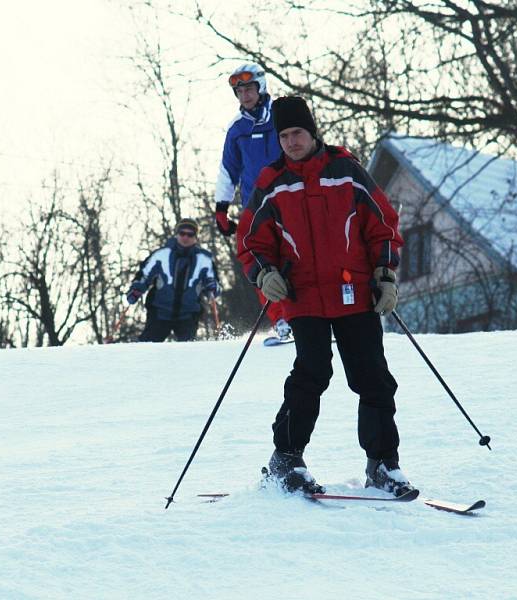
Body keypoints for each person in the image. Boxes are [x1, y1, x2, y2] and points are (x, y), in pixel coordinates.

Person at [237, 95, 412, 497]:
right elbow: (250, 240)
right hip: (303, 296)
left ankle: (384, 464)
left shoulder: (346, 172)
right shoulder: (271, 182)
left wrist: (385, 274)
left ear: (312, 132)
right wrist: (264, 275)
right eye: (283, 136)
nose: (291, 142)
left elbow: (382, 223)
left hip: (355, 291)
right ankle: (286, 460)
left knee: (372, 376)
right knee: (311, 373)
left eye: (297, 133)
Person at [214, 63, 290, 342]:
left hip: (290, 199)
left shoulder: (281, 115)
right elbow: (228, 169)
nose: (245, 95)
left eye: (249, 88)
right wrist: (221, 207)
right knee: (261, 263)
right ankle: (282, 320)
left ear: (261, 87)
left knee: (298, 257)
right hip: (254, 207)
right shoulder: (237, 128)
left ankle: (313, 315)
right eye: (239, 90)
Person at [126, 218, 219, 342]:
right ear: (177, 234)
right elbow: (143, 275)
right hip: (160, 311)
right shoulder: (161, 255)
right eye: (182, 233)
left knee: (187, 352)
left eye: (190, 234)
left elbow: (215, 287)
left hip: (188, 314)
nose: (185, 237)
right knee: (147, 348)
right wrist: (136, 290)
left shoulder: (204, 260)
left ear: (195, 237)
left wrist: (212, 288)